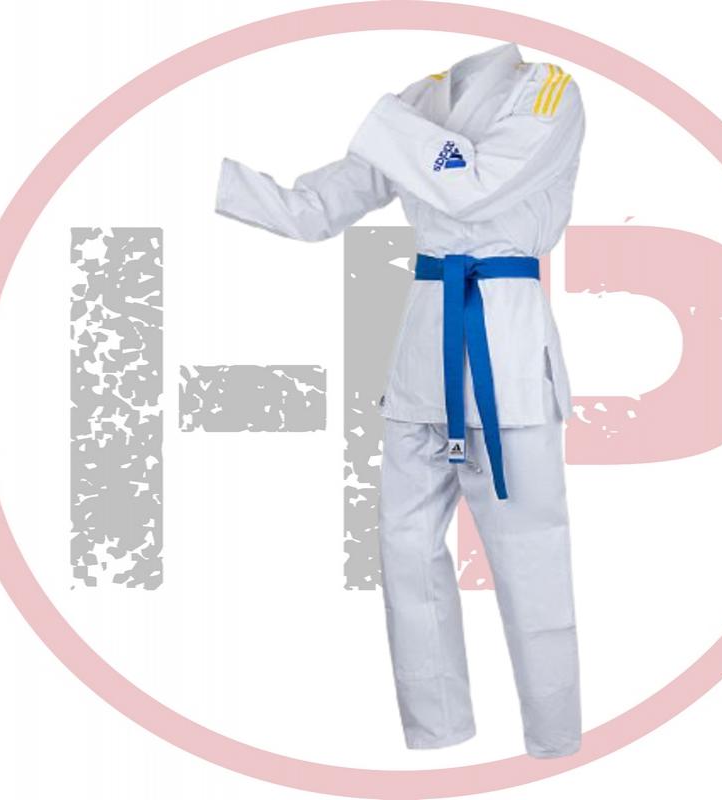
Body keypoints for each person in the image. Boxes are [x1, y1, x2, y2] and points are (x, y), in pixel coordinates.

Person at [215, 40, 585, 759]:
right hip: (423, 348)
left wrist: (387, 124)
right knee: (405, 550)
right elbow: (312, 210)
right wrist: (197, 177)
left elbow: (473, 186)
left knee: (530, 556)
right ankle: (438, 729)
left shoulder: (546, 92)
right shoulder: (420, 100)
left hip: (505, 348)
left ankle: (553, 738)